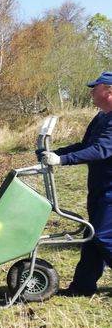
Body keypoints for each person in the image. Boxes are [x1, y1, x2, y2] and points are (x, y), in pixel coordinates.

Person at [40, 71, 112, 296]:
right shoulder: (101, 117)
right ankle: (83, 286)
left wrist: (62, 160)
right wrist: (55, 152)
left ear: (109, 91)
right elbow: (86, 145)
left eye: (95, 88)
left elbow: (101, 150)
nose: (91, 91)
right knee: (92, 237)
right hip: (99, 189)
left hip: (111, 192)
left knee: (103, 236)